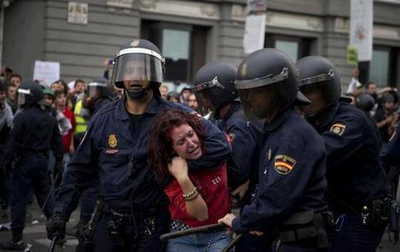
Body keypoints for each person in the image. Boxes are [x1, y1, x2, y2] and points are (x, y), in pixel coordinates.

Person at [46, 39, 231, 251]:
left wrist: (169, 163)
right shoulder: (103, 119)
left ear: (154, 75)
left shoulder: (177, 116)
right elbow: (78, 169)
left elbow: (221, 147)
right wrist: (61, 212)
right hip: (109, 222)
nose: (134, 76)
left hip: (152, 226)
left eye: (141, 70)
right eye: (129, 69)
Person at [218, 49, 331, 251]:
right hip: (283, 235)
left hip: (301, 241)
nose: (250, 98)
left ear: (279, 91)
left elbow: (277, 199)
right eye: (247, 92)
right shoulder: (276, 129)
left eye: (258, 91)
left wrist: (240, 222)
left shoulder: (292, 135)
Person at [296, 56, 389, 252]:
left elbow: (321, 153)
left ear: (326, 91)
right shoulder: (313, 120)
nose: (304, 98)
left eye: (310, 91)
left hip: (359, 215)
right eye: (300, 91)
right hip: (333, 211)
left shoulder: (350, 120)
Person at [193, 62, 265, 251]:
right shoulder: (236, 117)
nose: (205, 103)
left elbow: (236, 169)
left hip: (252, 202)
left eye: (207, 96)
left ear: (220, 93)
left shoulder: (238, 123)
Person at [147, 109, 232, 251]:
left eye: (191, 134)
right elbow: (201, 214)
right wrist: (183, 179)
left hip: (220, 231)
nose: (191, 143)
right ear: (172, 150)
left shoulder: (216, 149)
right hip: (183, 235)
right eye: (181, 142)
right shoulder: (170, 172)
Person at [0, 81, 63, 251]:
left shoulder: (22, 117)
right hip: (42, 162)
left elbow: (12, 144)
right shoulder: (49, 118)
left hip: (25, 162)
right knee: (46, 198)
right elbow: (58, 144)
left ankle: (17, 239)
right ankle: (58, 234)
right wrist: (58, 163)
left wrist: (5, 163)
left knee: (19, 200)